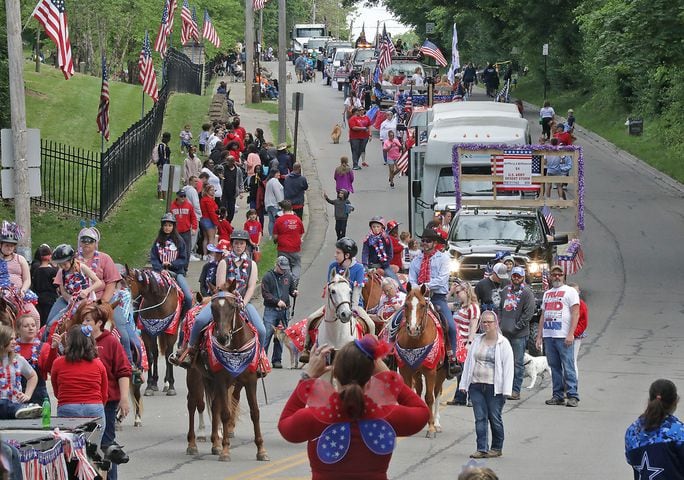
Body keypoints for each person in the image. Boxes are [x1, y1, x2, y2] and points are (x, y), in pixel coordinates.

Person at [278, 336, 430, 480]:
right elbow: (422, 412)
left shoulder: (315, 416)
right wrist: (387, 375)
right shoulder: (385, 415)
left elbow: (285, 425)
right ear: (372, 373)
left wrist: (308, 377)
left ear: (335, 374)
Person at [172, 230, 266, 368]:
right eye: (236, 243)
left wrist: (243, 303)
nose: (238, 246)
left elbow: (251, 286)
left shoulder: (252, 264)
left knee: (262, 330)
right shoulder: (224, 262)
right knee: (200, 320)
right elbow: (220, 286)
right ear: (232, 245)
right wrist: (230, 301)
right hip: (224, 301)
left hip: (243, 303)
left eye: (241, 243)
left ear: (246, 245)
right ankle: (189, 351)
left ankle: (260, 359)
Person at [76, 301, 131, 480]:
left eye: (88, 321)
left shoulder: (111, 342)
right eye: (83, 321)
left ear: (99, 323)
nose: (84, 324)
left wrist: (124, 398)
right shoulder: (78, 342)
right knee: (81, 447)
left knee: (106, 446)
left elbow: (123, 371)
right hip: (80, 404)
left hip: (107, 403)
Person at [299, 238, 367, 364]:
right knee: (311, 318)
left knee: (371, 325)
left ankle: (370, 354)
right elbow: (330, 289)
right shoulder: (333, 266)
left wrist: (354, 308)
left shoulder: (359, 268)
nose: (335, 255)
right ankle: (307, 348)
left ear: (347, 255)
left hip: (353, 305)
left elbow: (357, 291)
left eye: (338, 253)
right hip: (334, 305)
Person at [459, 310, 514, 459]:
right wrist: (464, 384)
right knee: (480, 418)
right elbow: (469, 363)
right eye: (484, 322)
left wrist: (506, 390)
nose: (486, 324)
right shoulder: (477, 341)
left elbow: (508, 368)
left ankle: (496, 447)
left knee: (494, 417)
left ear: (496, 323)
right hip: (476, 385)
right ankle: (482, 448)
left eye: (489, 321)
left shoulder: (503, 343)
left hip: (494, 388)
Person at [407, 228, 459, 378]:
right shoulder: (416, 259)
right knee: (397, 320)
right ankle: (392, 354)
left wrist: (425, 286)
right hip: (417, 297)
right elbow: (411, 278)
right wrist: (416, 289)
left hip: (437, 297)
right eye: (422, 240)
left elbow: (442, 279)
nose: (424, 243)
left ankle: (452, 358)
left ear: (435, 243)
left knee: (450, 326)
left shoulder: (443, 259)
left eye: (428, 241)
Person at [535, 264, 580, 407]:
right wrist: (539, 336)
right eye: (554, 274)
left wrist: (571, 333)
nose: (557, 277)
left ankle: (573, 395)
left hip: (563, 336)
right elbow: (543, 315)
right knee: (554, 367)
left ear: (564, 276)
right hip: (549, 335)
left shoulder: (570, 291)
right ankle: (558, 395)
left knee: (568, 365)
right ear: (550, 276)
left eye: (559, 274)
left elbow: (575, 313)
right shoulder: (547, 294)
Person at [625, 379, 684, 479]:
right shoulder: (678, 432)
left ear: (649, 401)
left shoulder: (633, 431)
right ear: (675, 402)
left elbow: (630, 460)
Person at [44, 244, 103, 336]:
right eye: (60, 264)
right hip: (69, 300)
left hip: (85, 300)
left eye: (65, 263)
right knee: (49, 322)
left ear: (71, 260)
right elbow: (63, 291)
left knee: (54, 324)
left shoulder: (82, 267)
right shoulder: (61, 272)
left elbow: (98, 282)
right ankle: (45, 342)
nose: (63, 266)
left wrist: (87, 290)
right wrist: (69, 298)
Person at [50, 324, 108, 418]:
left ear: (68, 341)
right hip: (94, 407)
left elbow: (57, 391)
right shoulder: (98, 364)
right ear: (90, 342)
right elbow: (104, 394)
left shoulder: (58, 363)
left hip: (68, 407)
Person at [498, 266, 535, 400]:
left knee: (517, 363)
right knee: (503, 362)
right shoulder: (505, 290)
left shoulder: (527, 292)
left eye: (519, 276)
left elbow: (529, 313)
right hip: (504, 333)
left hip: (519, 335)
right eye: (514, 275)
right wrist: (501, 323)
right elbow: (500, 308)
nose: (516, 278)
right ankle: (504, 388)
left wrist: (517, 326)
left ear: (523, 277)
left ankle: (515, 390)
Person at [149, 213, 193, 320]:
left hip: (177, 273)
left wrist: (172, 264)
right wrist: (160, 268)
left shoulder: (180, 241)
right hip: (159, 273)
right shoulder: (157, 242)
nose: (167, 228)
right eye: (165, 225)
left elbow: (184, 259)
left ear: (173, 226)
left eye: (169, 225)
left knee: (188, 297)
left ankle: (184, 318)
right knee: (143, 293)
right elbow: (153, 258)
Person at [447, 281, 481, 406]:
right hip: (457, 342)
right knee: (460, 371)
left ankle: (472, 397)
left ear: (466, 291)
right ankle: (460, 397)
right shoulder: (459, 306)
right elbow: (443, 304)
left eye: (458, 292)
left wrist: (469, 343)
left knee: (468, 371)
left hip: (466, 341)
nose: (457, 295)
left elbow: (473, 326)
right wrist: (450, 292)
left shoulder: (473, 307)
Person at [261, 256, 298, 369]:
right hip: (271, 310)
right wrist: (277, 301)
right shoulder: (268, 276)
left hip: (284, 310)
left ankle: (277, 360)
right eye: (281, 268)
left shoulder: (288, 276)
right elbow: (265, 294)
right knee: (266, 334)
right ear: (276, 265)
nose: (283, 270)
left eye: (285, 268)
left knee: (281, 336)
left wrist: (294, 292)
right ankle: (262, 358)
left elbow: (291, 289)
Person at [0, 325, 43, 420]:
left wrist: (27, 395)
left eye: (15, 338)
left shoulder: (18, 359)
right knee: (3, 403)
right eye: (10, 339)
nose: (14, 342)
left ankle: (21, 409)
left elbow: (32, 376)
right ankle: (24, 409)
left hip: (15, 403)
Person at [0, 222, 40, 322]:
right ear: (1, 245)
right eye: (7, 245)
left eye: (12, 245)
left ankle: (33, 337)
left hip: (19, 294)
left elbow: (27, 279)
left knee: (35, 316)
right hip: (2, 294)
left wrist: (22, 290)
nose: (9, 248)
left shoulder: (20, 259)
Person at [15, 314, 55, 404]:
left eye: (33, 325)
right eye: (26, 326)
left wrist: (53, 349)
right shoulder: (12, 348)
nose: (30, 328)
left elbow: (49, 369)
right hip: (18, 394)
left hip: (39, 394)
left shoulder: (44, 347)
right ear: (18, 330)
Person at [273, 200, 305, 284]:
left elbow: (275, 236)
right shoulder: (297, 220)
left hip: (283, 248)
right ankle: (294, 279)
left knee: (283, 266)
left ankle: (285, 282)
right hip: (295, 248)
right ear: (291, 208)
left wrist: (275, 240)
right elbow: (301, 233)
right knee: (296, 264)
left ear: (282, 209)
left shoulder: (279, 220)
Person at [362, 217, 401, 286]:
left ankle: (402, 291)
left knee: (395, 281)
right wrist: (365, 264)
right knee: (363, 282)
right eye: (374, 227)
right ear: (371, 228)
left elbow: (390, 252)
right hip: (372, 265)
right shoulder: (368, 239)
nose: (376, 229)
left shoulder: (386, 238)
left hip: (384, 265)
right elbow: (365, 252)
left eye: (378, 226)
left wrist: (386, 262)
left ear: (382, 227)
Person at [170, 189, 198, 270]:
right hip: (175, 232)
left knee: (187, 251)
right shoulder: (172, 206)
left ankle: (185, 268)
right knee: (176, 250)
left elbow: (193, 217)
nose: (183, 198)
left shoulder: (189, 206)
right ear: (177, 196)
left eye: (184, 196)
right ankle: (177, 267)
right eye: (181, 196)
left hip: (186, 232)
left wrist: (194, 228)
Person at [30, 244, 58, 326]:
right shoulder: (53, 271)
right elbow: (56, 285)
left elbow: (34, 284)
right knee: (48, 319)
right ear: (49, 256)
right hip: (50, 298)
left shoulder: (36, 270)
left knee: (41, 319)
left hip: (38, 298)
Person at [568, 282, 588, 380]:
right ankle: (564, 384)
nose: (576, 294)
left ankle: (573, 384)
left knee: (572, 360)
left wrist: (573, 334)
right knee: (564, 361)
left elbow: (583, 323)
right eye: (573, 292)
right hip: (564, 336)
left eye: (577, 292)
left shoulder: (581, 304)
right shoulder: (565, 303)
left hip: (575, 336)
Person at [200, 183, 219, 257]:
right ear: (207, 191)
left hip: (203, 219)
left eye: (214, 190)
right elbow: (211, 212)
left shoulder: (203, 199)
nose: (213, 191)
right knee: (211, 238)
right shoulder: (208, 200)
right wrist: (216, 222)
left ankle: (205, 254)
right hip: (209, 219)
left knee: (205, 237)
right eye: (211, 190)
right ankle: (211, 254)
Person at [264, 167, 284, 237]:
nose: (279, 174)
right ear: (274, 174)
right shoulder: (275, 181)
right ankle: (276, 235)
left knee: (271, 221)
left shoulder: (269, 181)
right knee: (276, 221)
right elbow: (277, 193)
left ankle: (270, 235)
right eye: (278, 173)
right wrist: (281, 204)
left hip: (268, 204)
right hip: (275, 204)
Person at [155, 132, 171, 200]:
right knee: (161, 179)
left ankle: (164, 196)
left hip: (166, 164)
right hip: (162, 164)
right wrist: (164, 164)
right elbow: (161, 155)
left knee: (165, 180)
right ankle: (159, 195)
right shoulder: (161, 145)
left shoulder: (165, 145)